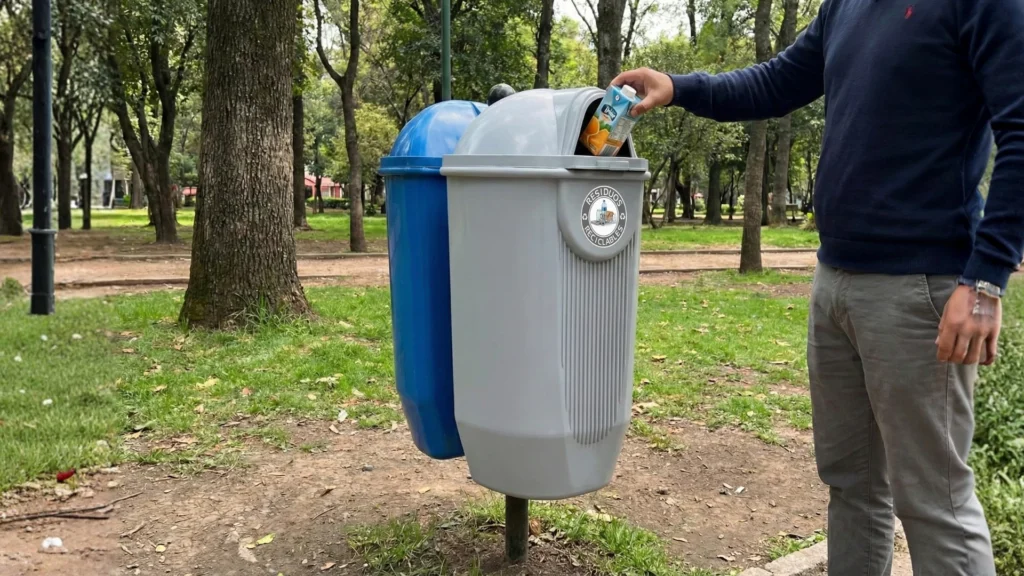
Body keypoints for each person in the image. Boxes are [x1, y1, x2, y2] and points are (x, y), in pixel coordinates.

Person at [614, 0, 1024, 574]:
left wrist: (986, 277)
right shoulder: (847, 6)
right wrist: (679, 86)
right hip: (834, 282)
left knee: (936, 505)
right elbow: (777, 81)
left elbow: (1020, 131)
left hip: (921, 290)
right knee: (852, 485)